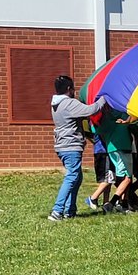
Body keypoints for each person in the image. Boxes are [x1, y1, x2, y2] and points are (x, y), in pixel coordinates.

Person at [49, 76, 106, 221]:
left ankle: (70, 210)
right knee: (72, 176)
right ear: (69, 89)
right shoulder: (69, 103)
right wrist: (104, 98)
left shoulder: (56, 104)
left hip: (62, 146)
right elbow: (91, 109)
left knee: (77, 177)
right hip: (70, 146)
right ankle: (57, 211)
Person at [86, 133, 114, 210]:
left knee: (108, 179)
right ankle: (93, 198)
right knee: (109, 178)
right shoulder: (100, 123)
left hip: (100, 150)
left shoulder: (92, 124)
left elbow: (88, 134)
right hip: (103, 151)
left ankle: (106, 202)